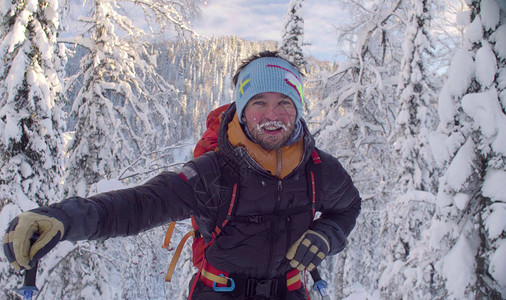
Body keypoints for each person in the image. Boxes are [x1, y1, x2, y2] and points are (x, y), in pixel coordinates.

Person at [3, 51, 361, 299]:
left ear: (298, 109)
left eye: (284, 102)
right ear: (241, 109)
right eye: (259, 102)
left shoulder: (320, 169)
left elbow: (347, 207)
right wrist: (62, 219)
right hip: (218, 292)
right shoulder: (214, 173)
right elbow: (143, 204)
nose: (273, 114)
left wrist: (327, 235)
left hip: (291, 291)